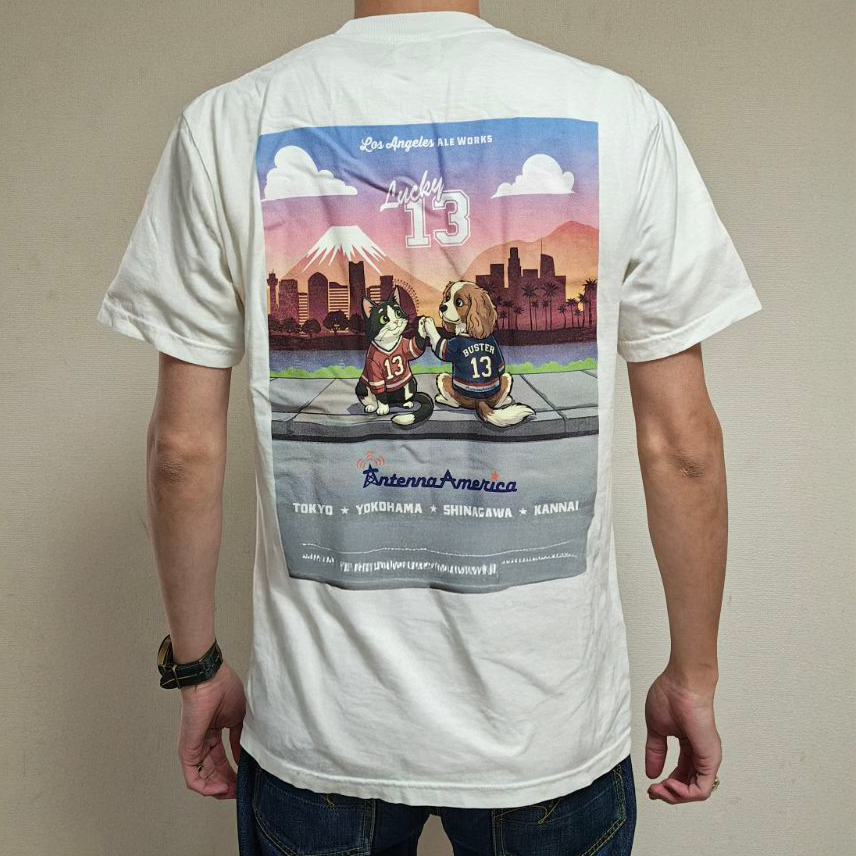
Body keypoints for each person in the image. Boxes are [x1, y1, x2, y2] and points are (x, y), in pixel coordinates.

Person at [95, 0, 761, 852]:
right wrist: (694, 675)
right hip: (547, 731)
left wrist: (196, 667)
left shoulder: (227, 121)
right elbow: (685, 449)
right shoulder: (622, 114)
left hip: (322, 733)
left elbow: (182, 453)